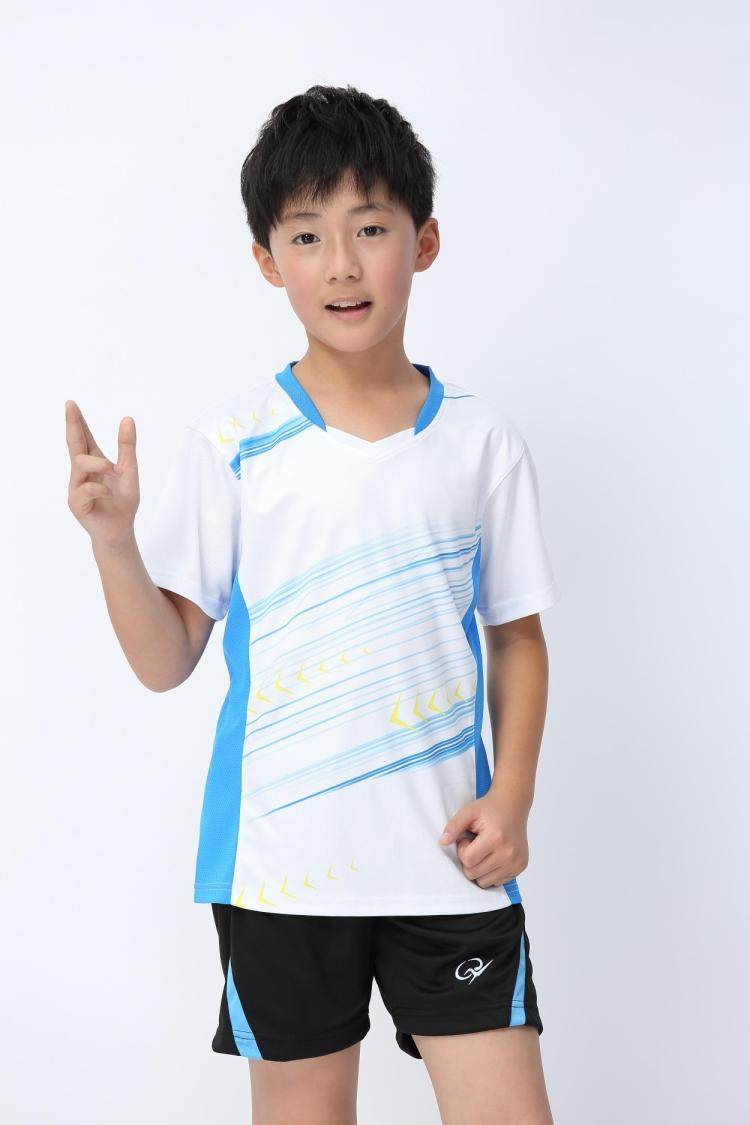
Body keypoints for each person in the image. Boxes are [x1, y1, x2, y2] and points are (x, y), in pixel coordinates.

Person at [66, 83, 560, 1125]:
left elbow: (517, 636)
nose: (341, 264)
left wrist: (512, 795)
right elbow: (165, 660)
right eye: (306, 235)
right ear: (267, 260)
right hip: (280, 874)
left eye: (370, 228)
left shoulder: (481, 442)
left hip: (449, 862)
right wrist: (115, 543)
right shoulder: (235, 443)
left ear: (424, 242)